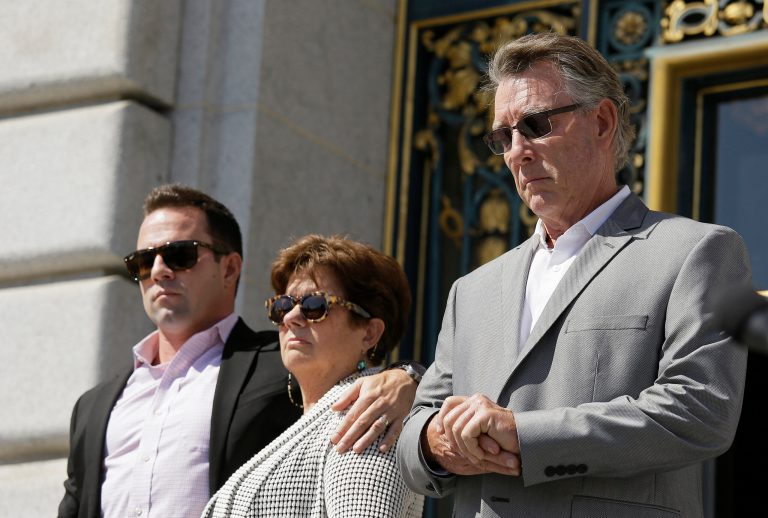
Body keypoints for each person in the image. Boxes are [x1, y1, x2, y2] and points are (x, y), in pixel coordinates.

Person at [397, 33, 751, 517]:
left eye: (537, 125)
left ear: (602, 121)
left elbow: (700, 411)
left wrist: (525, 437)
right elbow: (416, 431)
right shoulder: (471, 290)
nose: (517, 152)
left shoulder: (695, 251)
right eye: (504, 137)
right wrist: (436, 441)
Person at [59, 185, 420, 518]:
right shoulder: (94, 406)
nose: (158, 271)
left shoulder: (284, 370)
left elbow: (364, 374)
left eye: (178, 255)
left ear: (230, 267)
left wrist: (410, 378)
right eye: (142, 262)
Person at [203, 235, 424, 517]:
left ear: (369, 333)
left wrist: (412, 377)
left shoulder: (368, 418)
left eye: (314, 305)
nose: (291, 317)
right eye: (282, 306)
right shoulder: (323, 418)